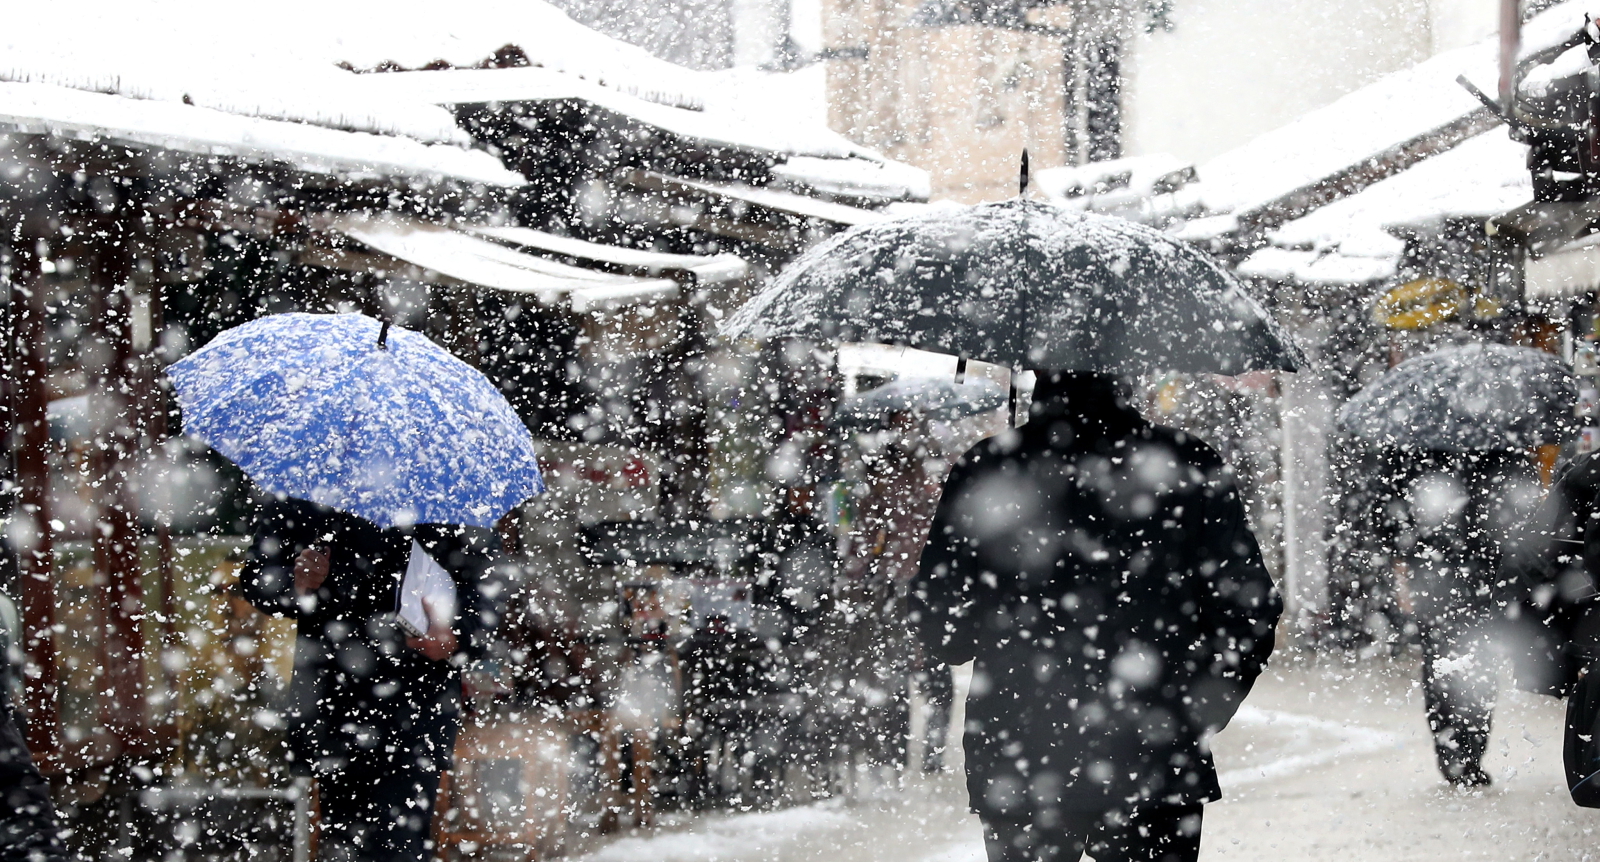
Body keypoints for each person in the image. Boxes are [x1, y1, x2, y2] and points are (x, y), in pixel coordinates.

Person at [911, 372, 1280, 862]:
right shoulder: (1186, 464)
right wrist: (1200, 707)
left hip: (1020, 755)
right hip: (1153, 750)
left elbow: (944, 631)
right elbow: (1248, 607)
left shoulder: (988, 471)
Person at [240, 495, 502, 862]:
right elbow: (257, 577)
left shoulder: (446, 495)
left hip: (415, 706)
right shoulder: (314, 489)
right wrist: (296, 581)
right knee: (347, 843)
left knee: (398, 845)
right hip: (336, 702)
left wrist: (456, 635)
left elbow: (487, 591)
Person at [1380, 449, 1539, 787]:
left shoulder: (1423, 449)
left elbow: (1395, 514)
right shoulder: (1490, 448)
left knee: (1463, 664)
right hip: (1456, 573)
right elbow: (1396, 514)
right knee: (1457, 664)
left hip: (1465, 573)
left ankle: (1462, 752)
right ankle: (1461, 752)